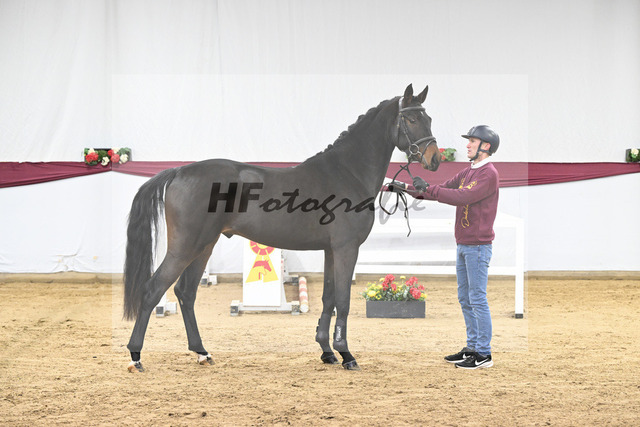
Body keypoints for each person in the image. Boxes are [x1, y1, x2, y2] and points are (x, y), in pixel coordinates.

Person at [412, 125, 500, 369]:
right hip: (464, 244)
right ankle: (472, 347)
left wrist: (428, 189)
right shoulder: (468, 171)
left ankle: (484, 354)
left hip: (477, 246)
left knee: (477, 298)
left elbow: (462, 197)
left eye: (472, 141)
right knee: (466, 298)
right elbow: (446, 188)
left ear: (486, 146)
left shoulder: (488, 174)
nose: (468, 145)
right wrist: (411, 189)